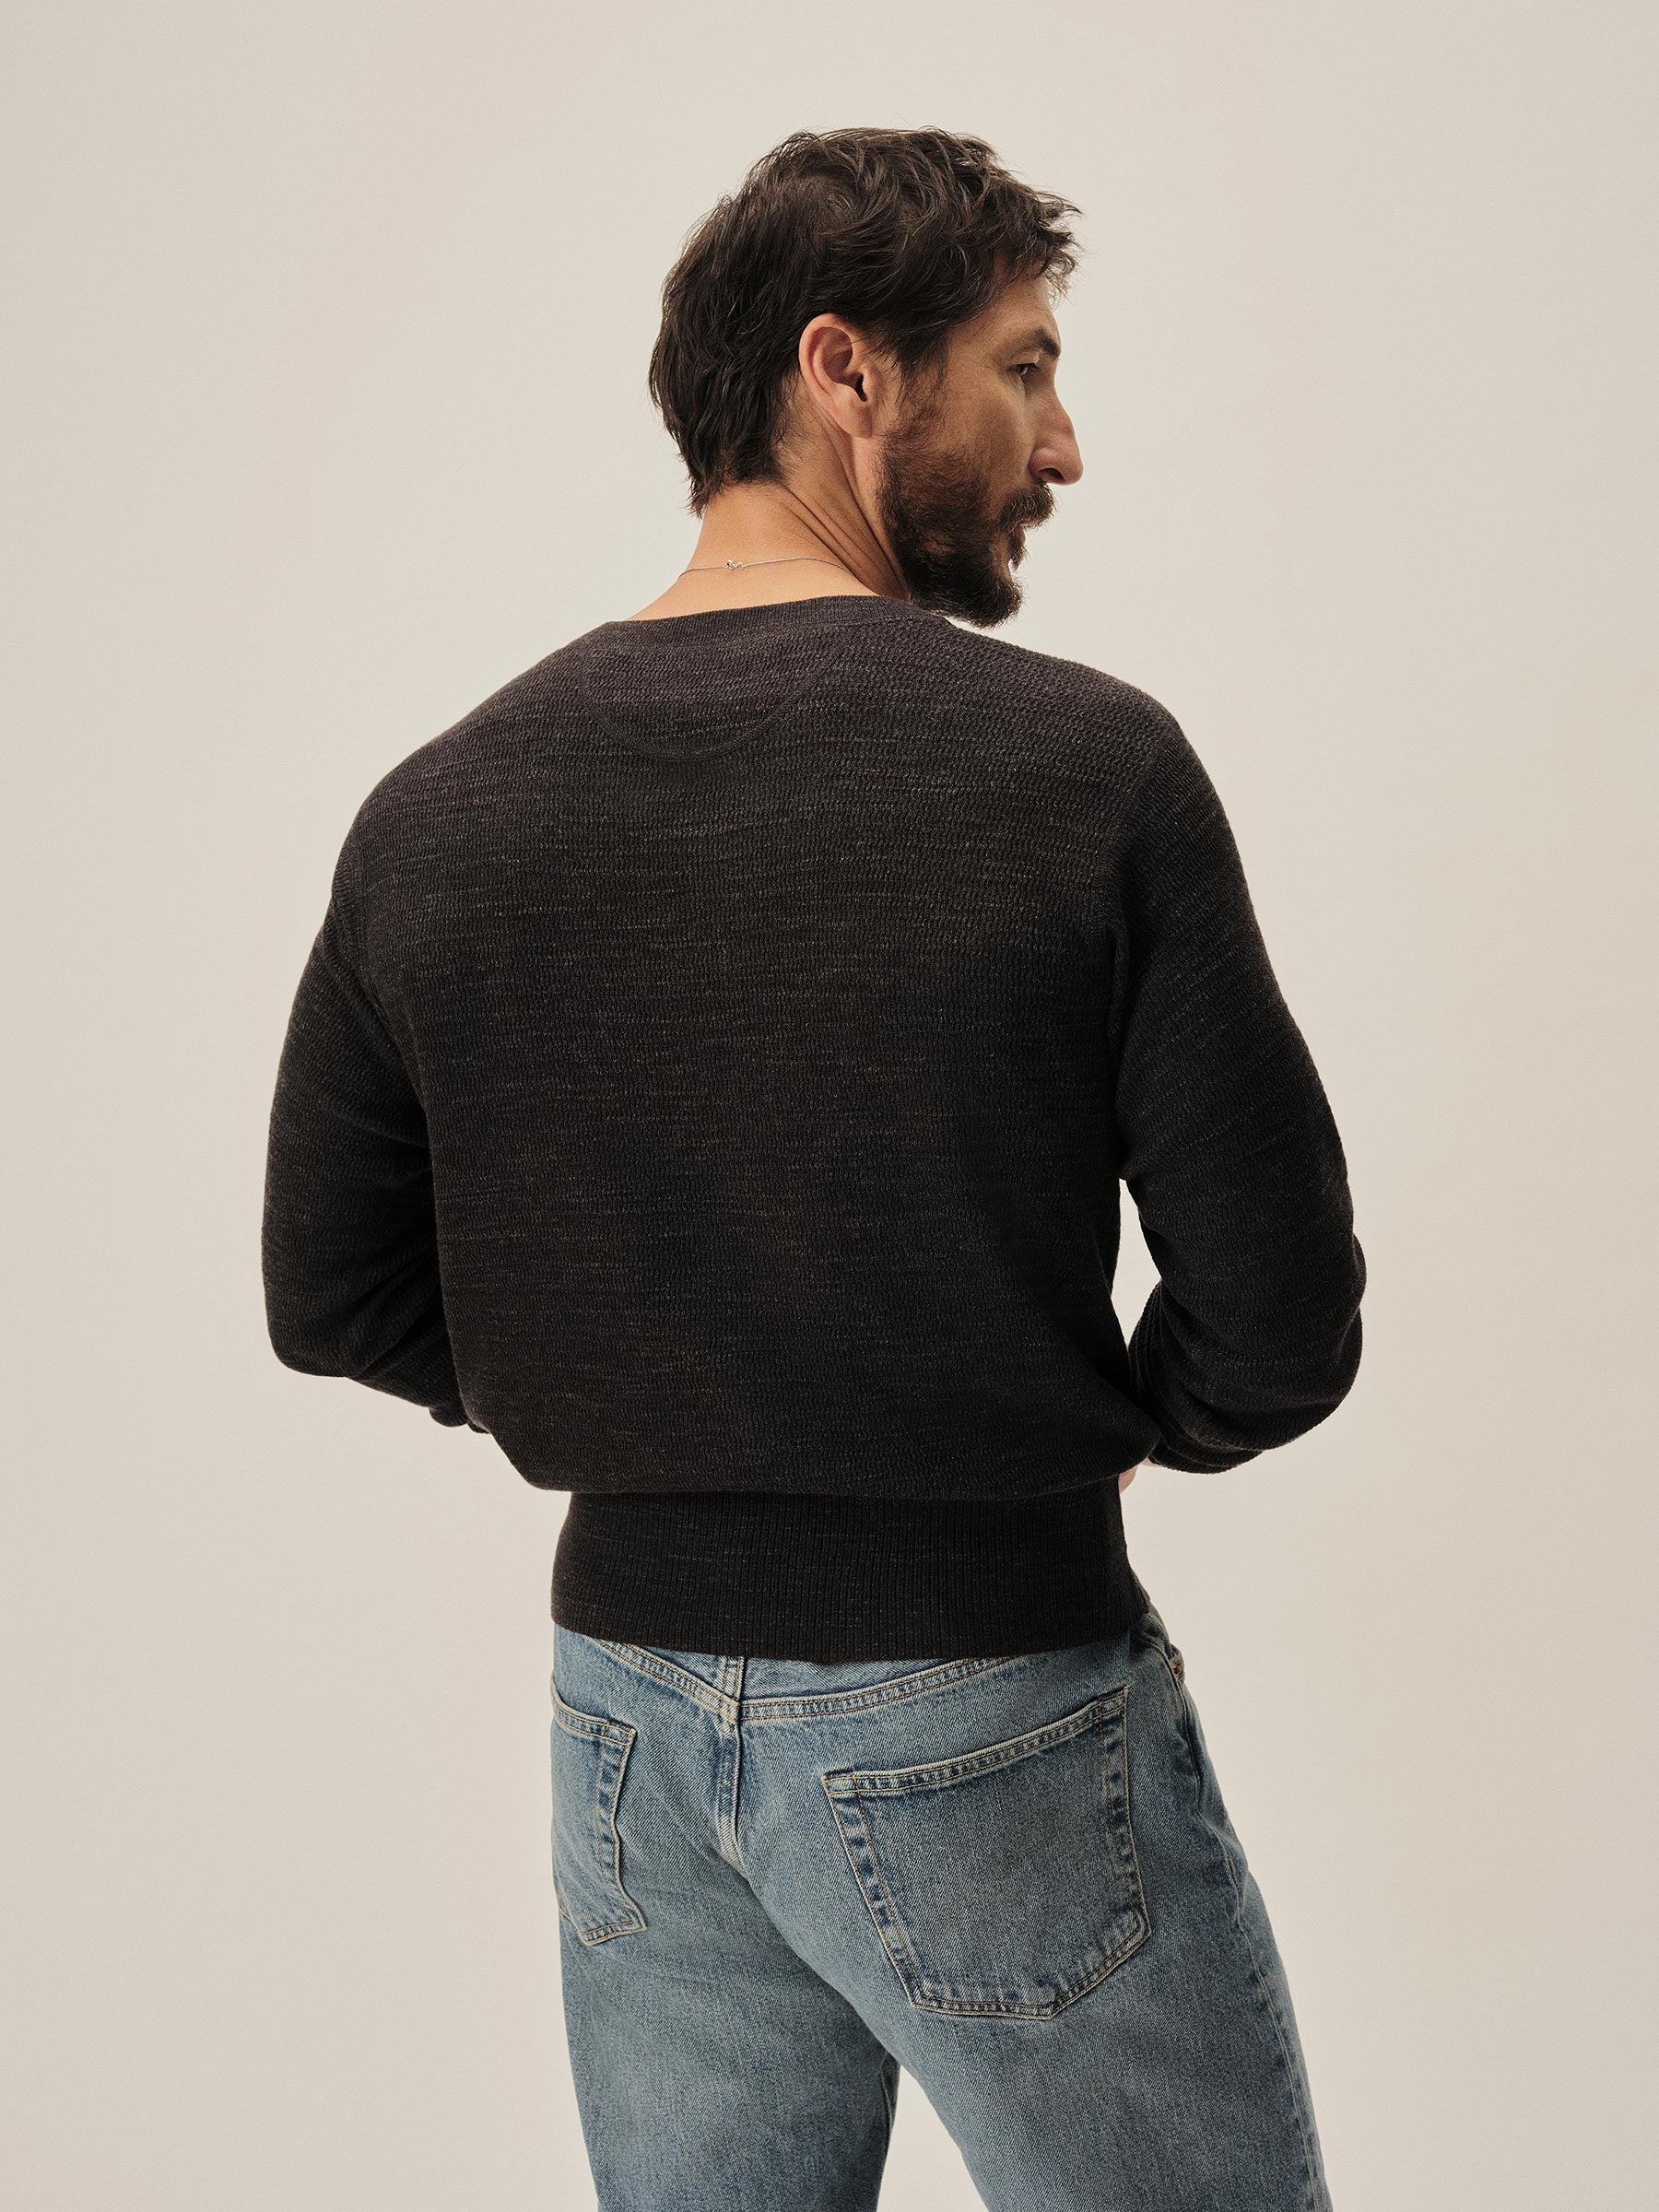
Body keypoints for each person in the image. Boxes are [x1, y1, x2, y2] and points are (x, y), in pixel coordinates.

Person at [262, 125, 1364, 2210]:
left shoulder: (441, 809)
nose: (1063, 445)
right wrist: (1084, 1435)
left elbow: (331, 1296)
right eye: (1024, 369)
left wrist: (653, 1402)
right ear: (845, 369)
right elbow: (1281, 1319)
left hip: (626, 1721)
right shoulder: (1083, 772)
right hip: (993, 1692)